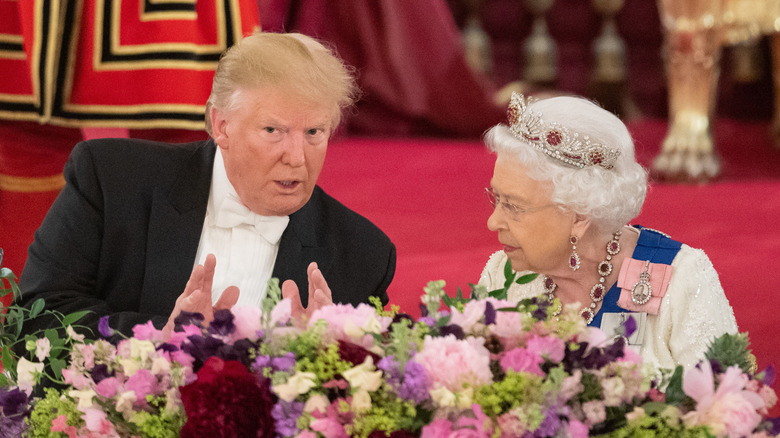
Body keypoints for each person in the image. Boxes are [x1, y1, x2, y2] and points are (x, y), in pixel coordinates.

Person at [16, 31, 396, 338]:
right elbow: (37, 317)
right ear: (221, 125)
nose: (297, 157)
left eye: (314, 132)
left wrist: (327, 354)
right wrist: (158, 338)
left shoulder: (362, 255)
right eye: (273, 130)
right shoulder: (111, 180)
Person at [478, 92, 738, 372]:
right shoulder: (503, 277)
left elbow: (724, 405)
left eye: (514, 206)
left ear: (579, 215)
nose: (493, 222)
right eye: (497, 199)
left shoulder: (681, 280)